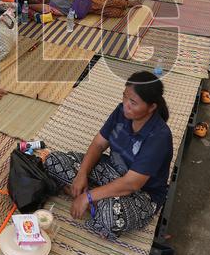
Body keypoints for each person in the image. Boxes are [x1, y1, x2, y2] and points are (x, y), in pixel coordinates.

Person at [44, 71, 172, 239]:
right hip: (111, 171)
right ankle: (96, 200)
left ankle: (92, 200)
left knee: (110, 215)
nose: (126, 104)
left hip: (141, 193)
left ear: (152, 107)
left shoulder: (159, 137)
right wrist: (82, 174)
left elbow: (131, 184)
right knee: (53, 161)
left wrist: (87, 197)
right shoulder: (121, 112)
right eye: (125, 97)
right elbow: (98, 144)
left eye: (133, 102)